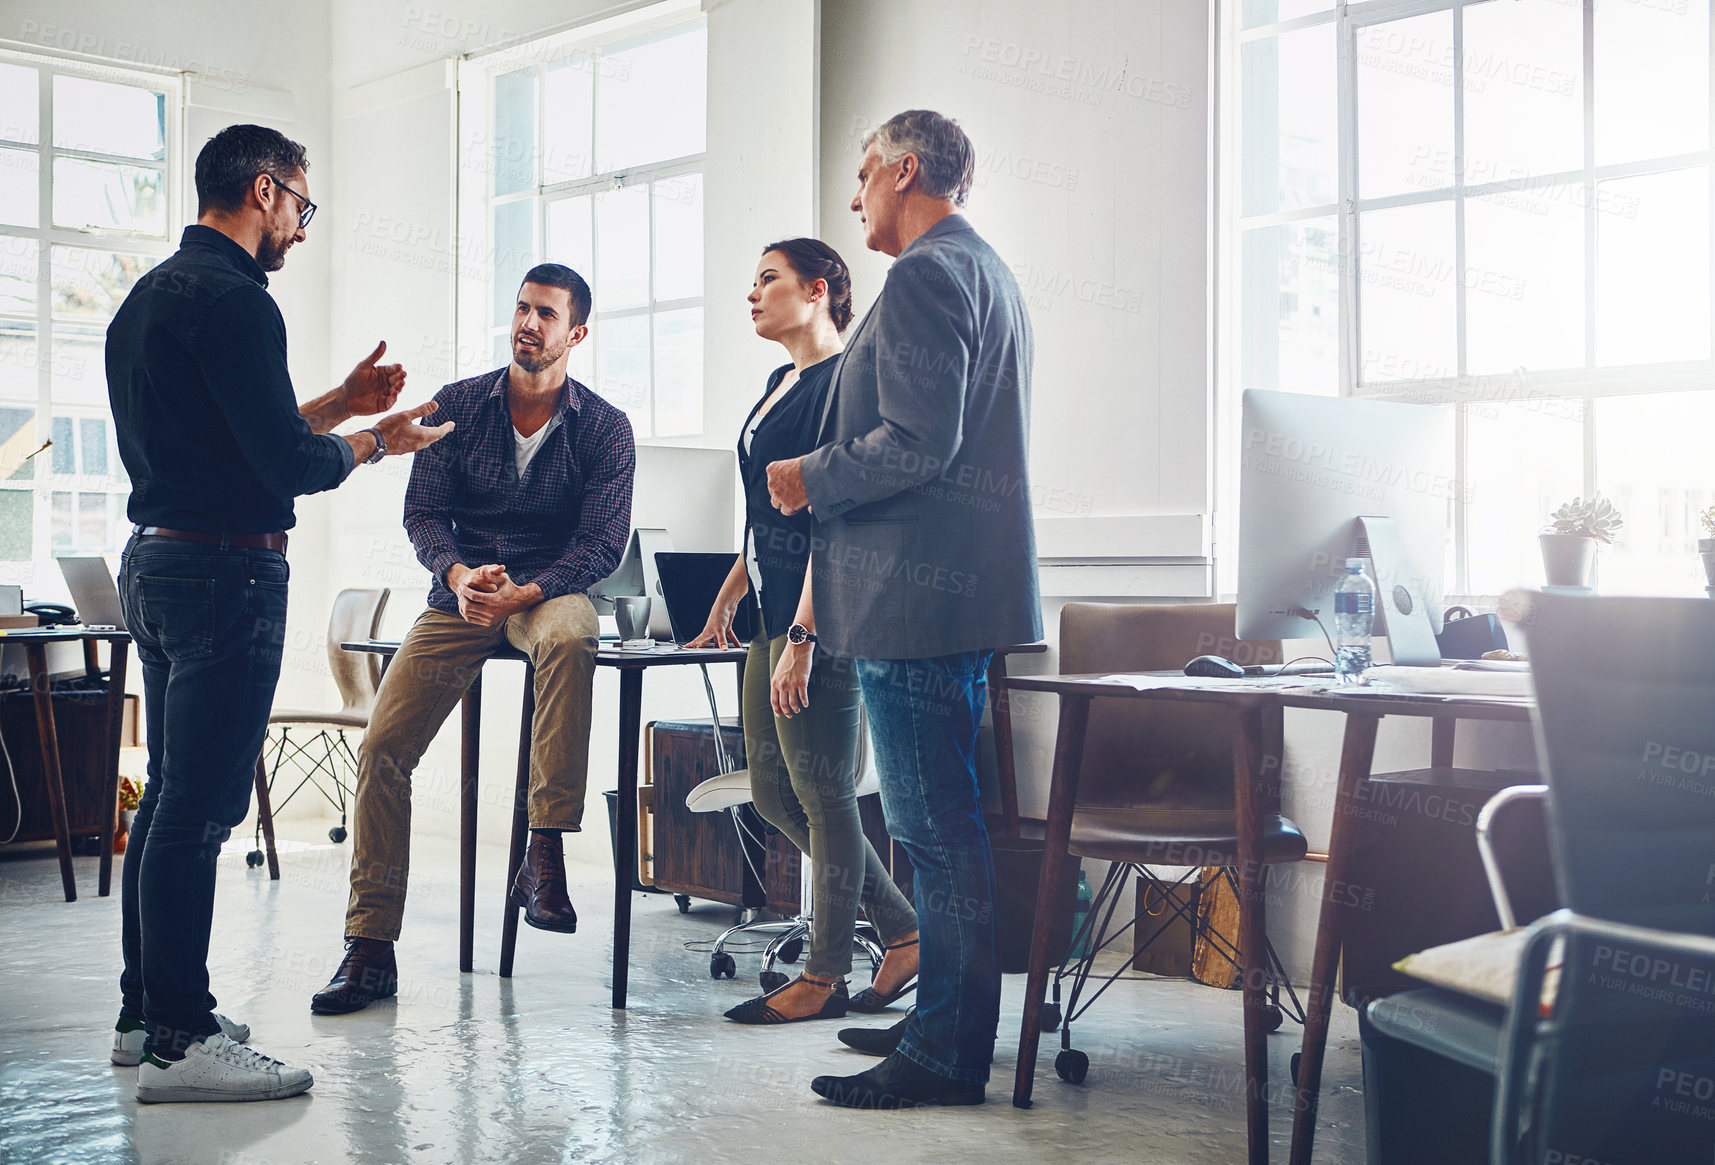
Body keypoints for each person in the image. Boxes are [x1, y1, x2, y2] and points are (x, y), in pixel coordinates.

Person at [107, 123, 452, 1103]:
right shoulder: (240, 304)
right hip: (225, 578)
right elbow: (285, 468)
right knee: (199, 809)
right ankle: (182, 1036)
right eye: (302, 205)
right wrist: (376, 440)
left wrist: (340, 399)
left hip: (161, 565)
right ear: (264, 191)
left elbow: (233, 441)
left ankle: (148, 1014)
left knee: (172, 799)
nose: (301, 228)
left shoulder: (152, 297)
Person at [765, 109, 1041, 1108]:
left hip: (914, 604)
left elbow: (917, 444)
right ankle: (945, 1033)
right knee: (942, 827)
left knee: (932, 831)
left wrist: (809, 476)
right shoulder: (983, 270)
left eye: (861, 175)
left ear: (904, 169)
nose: (853, 198)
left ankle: (941, 1053)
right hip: (945, 600)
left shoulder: (927, 273)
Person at [310, 262, 635, 1016]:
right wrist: (457, 574)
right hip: (461, 595)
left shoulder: (606, 428)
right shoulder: (458, 404)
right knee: (382, 747)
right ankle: (369, 948)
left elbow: (602, 544)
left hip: (546, 591)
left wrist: (530, 589)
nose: (527, 322)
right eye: (521, 308)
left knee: (571, 637)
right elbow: (423, 512)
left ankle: (543, 849)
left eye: (545, 313)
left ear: (575, 333)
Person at [688, 239, 920, 1025]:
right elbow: (764, 511)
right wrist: (727, 594)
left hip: (819, 621)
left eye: (768, 279)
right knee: (774, 790)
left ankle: (821, 977)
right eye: (750, 279)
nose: (750, 293)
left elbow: (834, 519)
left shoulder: (841, 384)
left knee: (823, 795)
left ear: (817, 290)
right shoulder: (776, 381)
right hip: (766, 610)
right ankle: (904, 930)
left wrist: (804, 637)